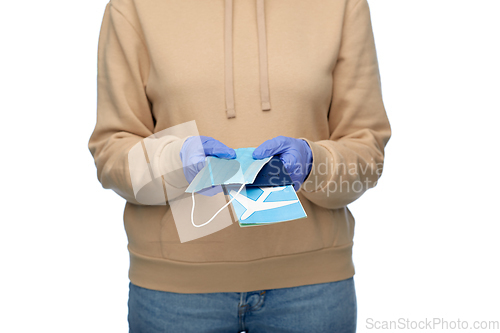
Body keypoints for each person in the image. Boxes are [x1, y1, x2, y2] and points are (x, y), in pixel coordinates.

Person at [88, 0, 391, 331]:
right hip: (176, 292)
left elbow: (367, 147)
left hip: (312, 288)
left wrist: (313, 163)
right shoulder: (133, 6)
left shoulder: (342, 5)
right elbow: (111, 151)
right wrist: (174, 162)